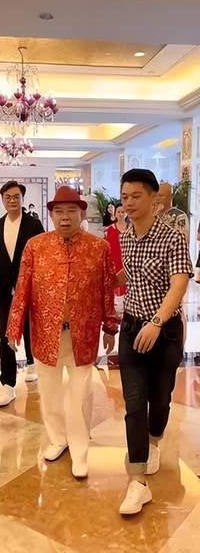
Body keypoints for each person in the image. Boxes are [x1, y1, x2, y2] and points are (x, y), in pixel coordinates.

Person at [6, 186, 118, 479]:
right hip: (45, 333)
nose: (65, 217)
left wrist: (110, 326)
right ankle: (58, 438)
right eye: (59, 212)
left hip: (84, 334)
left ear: (81, 214)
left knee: (79, 396)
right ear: (52, 215)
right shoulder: (36, 246)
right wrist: (14, 326)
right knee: (50, 392)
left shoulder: (98, 248)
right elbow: (23, 288)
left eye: (71, 211)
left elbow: (107, 290)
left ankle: (80, 451)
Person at [116, 169, 192, 515]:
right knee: (134, 404)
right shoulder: (126, 237)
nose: (129, 203)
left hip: (165, 332)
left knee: (160, 400)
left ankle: (155, 439)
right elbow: (130, 275)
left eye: (136, 196)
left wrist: (157, 322)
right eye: (125, 196)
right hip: (132, 329)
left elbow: (179, 283)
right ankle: (137, 483)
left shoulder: (172, 237)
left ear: (153, 199)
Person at [0, 180, 45, 406]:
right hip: (2, 287)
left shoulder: (34, 225)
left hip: (29, 286)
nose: (12, 200)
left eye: (16, 196)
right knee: (5, 334)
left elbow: (42, 258)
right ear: (2, 199)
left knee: (30, 327)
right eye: (8, 197)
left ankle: (31, 362)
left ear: (22, 198)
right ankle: (8, 383)